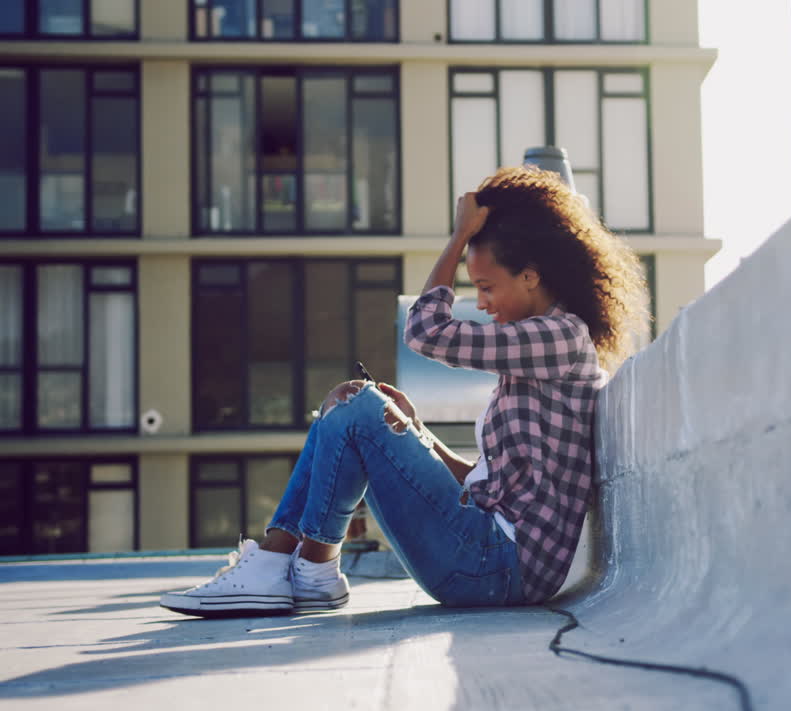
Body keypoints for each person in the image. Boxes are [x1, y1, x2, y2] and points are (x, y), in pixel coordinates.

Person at [161, 166, 648, 617]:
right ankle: (303, 567)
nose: (480, 303)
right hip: (490, 560)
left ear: (530, 275)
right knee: (352, 401)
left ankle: (292, 566)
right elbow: (482, 484)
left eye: (486, 286)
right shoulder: (542, 346)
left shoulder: (558, 337)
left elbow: (425, 331)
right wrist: (417, 432)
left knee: (358, 408)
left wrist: (459, 237)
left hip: (496, 566)